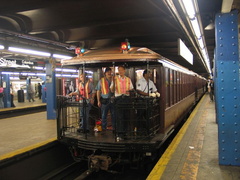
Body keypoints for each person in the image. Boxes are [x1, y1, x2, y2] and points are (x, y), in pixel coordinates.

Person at [110, 65, 134, 138]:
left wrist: (129, 90)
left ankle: (126, 132)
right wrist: (114, 82)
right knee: (119, 116)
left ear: (124, 71)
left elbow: (132, 88)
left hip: (126, 98)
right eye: (119, 70)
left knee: (126, 115)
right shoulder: (115, 79)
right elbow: (112, 90)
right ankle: (120, 133)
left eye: (121, 70)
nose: (120, 71)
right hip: (119, 99)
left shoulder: (128, 79)